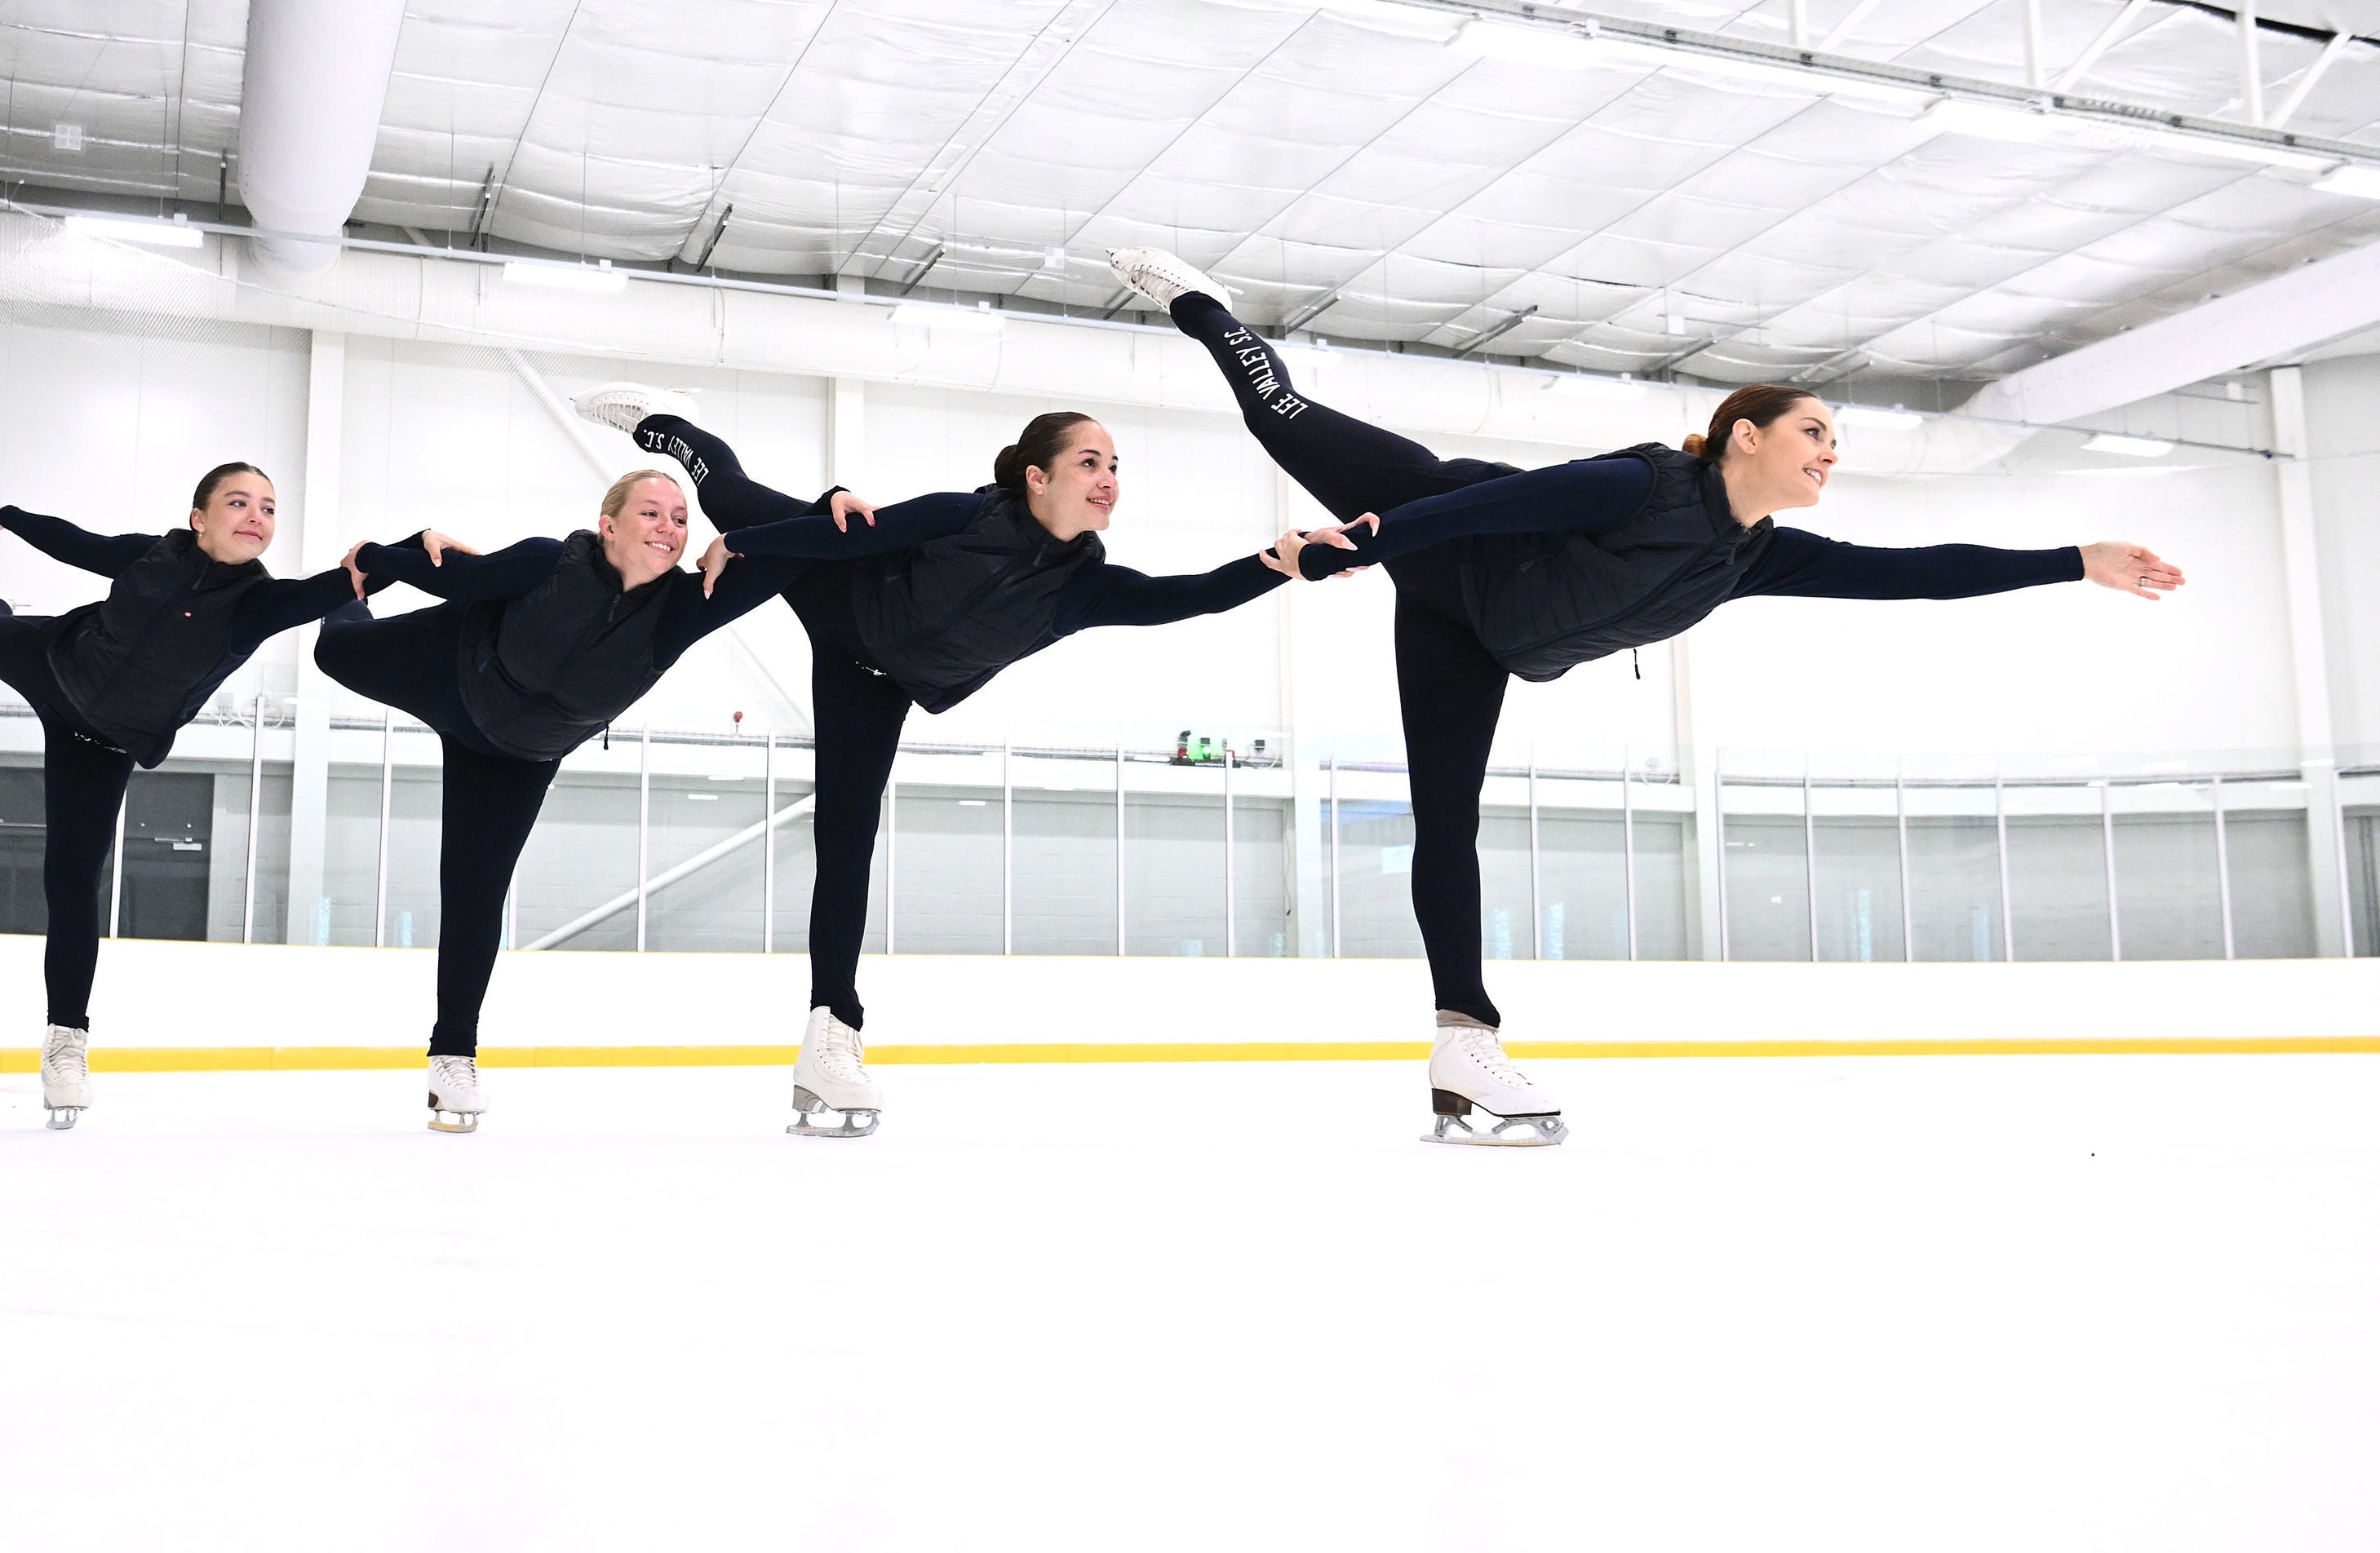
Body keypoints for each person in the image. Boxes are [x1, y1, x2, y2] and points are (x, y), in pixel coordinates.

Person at [1109, 246, 2187, 1147]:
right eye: (1815, 430)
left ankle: (1459, 1041)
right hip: (1436, 521)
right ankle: (1198, 302)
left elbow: (1917, 568)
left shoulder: (1758, 556)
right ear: (1745, 434)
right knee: (1280, 411)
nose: (1830, 451)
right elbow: (1497, 501)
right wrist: (1355, 543)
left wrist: (2075, 558)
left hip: (1471, 631)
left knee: (1448, 817)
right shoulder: (1642, 485)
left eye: (1835, 440)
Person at [576, 386, 1363, 1138]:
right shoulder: (961, 515)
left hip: (876, 683)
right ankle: (663, 424)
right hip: (838, 588)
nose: (1108, 480)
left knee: (845, 842)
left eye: (1116, 466)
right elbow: (849, 535)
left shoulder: (1079, 590)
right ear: (1037, 476)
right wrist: (746, 540)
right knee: (736, 495)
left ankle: (829, 1038)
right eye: (1090, 462)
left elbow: (1182, 595)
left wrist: (1281, 560)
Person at [320, 467, 953, 1133]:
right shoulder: (548, 562)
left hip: (518, 754)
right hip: (449, 672)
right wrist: (382, 559)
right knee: (335, 648)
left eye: (681, 519)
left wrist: (810, 512)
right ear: (609, 525)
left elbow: (791, 556)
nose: (670, 529)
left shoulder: (685, 605)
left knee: (476, 892)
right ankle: (348, 596)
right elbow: (456, 579)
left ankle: (452, 1059)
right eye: (652, 513)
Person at [0, 464, 369, 1129]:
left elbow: (337, 586)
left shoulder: (258, 604)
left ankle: (65, 1044)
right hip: (53, 661)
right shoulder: (149, 555)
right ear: (199, 516)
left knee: (70, 881)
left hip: (101, 740)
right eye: (239, 502)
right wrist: (5, 515)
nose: (256, 516)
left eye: (268, 508)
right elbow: (76, 542)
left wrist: (409, 553)